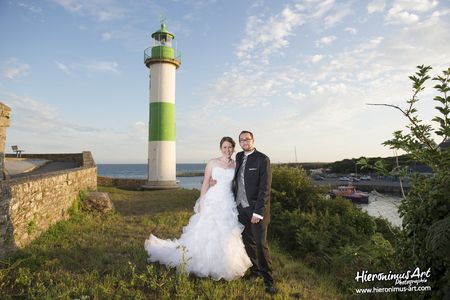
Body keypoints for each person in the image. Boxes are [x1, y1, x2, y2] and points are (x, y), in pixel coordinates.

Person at [144, 137, 252, 281]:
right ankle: (201, 263)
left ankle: (224, 264)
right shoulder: (212, 162)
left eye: (230, 147)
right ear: (220, 148)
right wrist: (202, 201)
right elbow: (206, 183)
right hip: (212, 200)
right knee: (206, 231)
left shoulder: (236, 164)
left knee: (226, 233)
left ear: (233, 148)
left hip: (227, 201)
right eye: (224, 147)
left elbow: (239, 182)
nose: (227, 150)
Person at [234, 130, 276, 294]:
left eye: (247, 139)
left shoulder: (262, 159)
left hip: (257, 211)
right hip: (240, 209)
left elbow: (265, 188)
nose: (244, 142)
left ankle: (269, 281)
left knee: (260, 244)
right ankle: (256, 270)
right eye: (241, 140)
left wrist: (258, 213)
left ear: (253, 140)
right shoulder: (238, 157)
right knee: (248, 241)